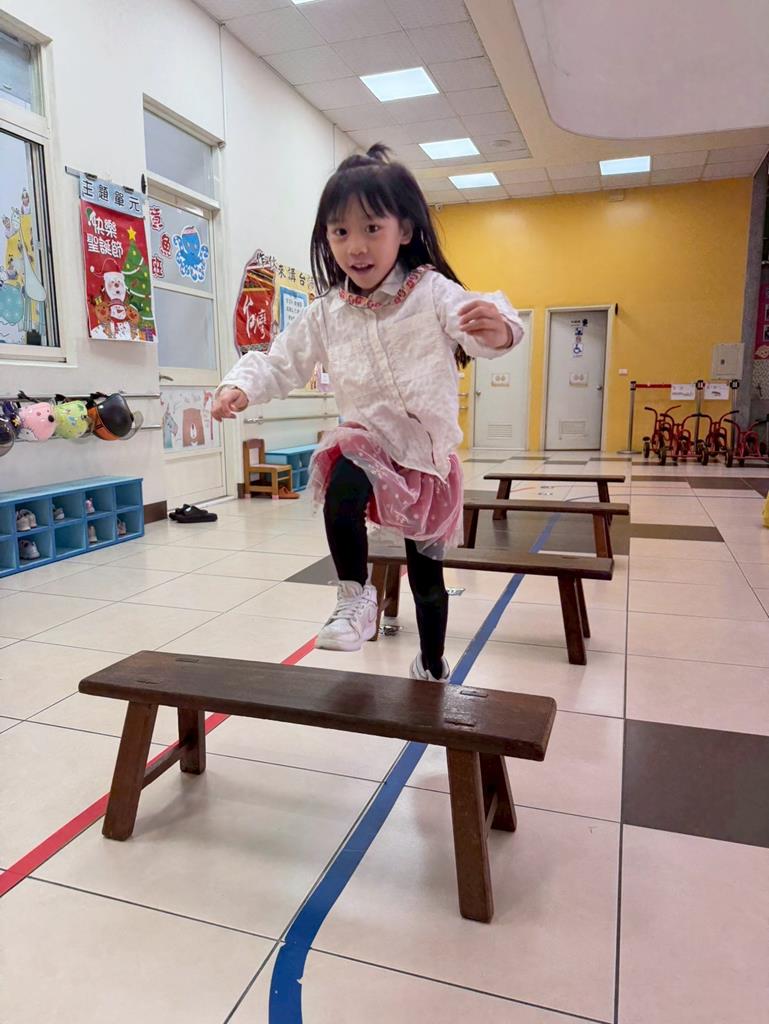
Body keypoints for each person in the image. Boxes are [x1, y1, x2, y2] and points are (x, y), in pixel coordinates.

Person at [213, 145, 523, 681]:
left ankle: (432, 663)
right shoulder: (328, 312)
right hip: (369, 443)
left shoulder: (431, 292)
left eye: (372, 228)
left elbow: (481, 324)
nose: (355, 246)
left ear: (404, 230)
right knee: (343, 469)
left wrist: (500, 330)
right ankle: (355, 597)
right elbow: (282, 361)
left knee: (426, 580)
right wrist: (240, 385)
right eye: (340, 232)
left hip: (426, 460)